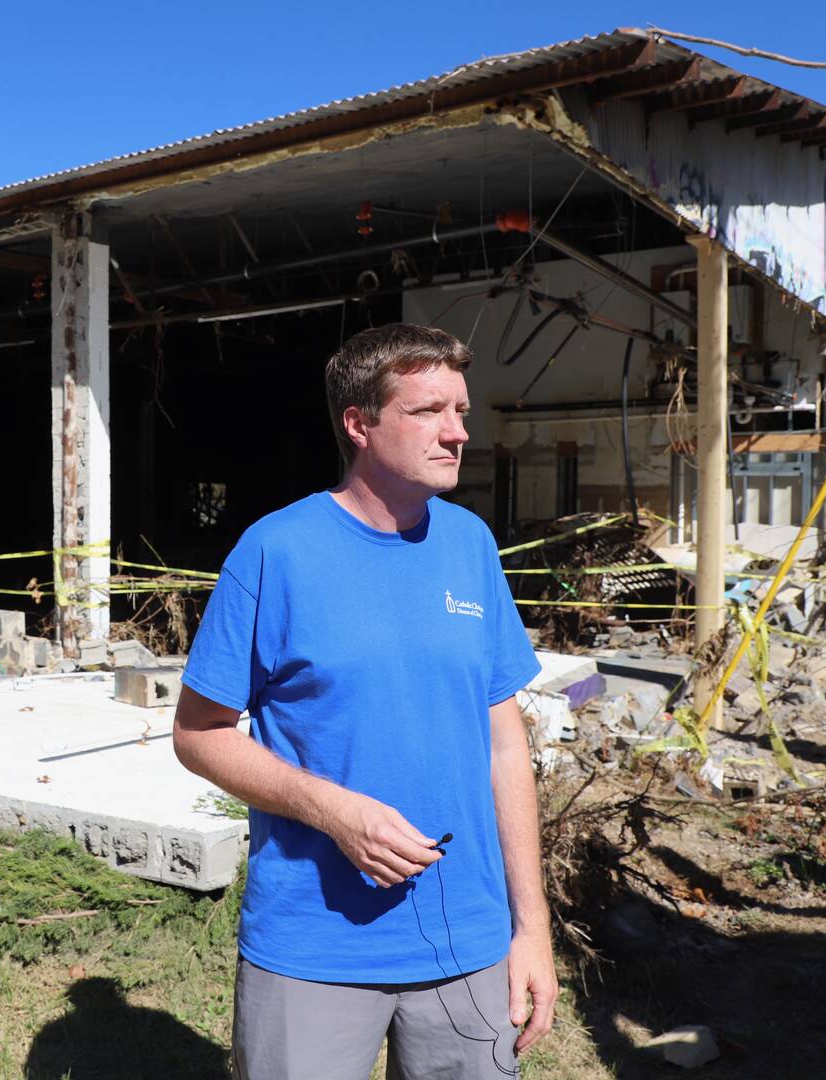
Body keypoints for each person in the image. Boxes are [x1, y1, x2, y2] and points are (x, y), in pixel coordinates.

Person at [173, 323, 556, 1079]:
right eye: (429, 412)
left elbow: (504, 742)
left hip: (468, 944)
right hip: (315, 944)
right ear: (360, 423)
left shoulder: (471, 545)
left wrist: (531, 928)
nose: (458, 434)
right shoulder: (275, 551)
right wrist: (334, 811)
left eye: (462, 410)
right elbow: (199, 733)